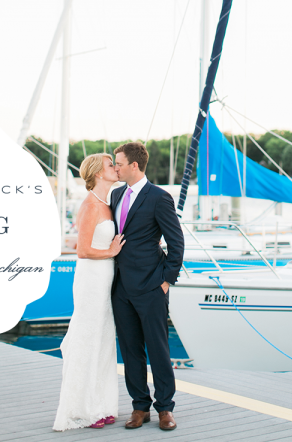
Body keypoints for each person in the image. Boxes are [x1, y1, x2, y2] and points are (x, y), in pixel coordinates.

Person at [109, 142, 184, 431]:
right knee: (130, 350)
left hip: (152, 286)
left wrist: (166, 281)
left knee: (158, 349)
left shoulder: (158, 197)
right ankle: (140, 406)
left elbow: (176, 243)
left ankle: (165, 408)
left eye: (119, 163)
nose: (116, 167)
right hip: (121, 288)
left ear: (134, 166)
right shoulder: (116, 194)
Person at [53, 153, 124, 431]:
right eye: (110, 165)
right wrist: (111, 251)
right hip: (91, 278)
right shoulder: (90, 206)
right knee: (87, 338)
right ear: (97, 173)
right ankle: (80, 409)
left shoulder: (108, 204)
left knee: (104, 340)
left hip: (106, 277)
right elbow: (82, 250)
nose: (115, 168)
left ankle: (101, 406)